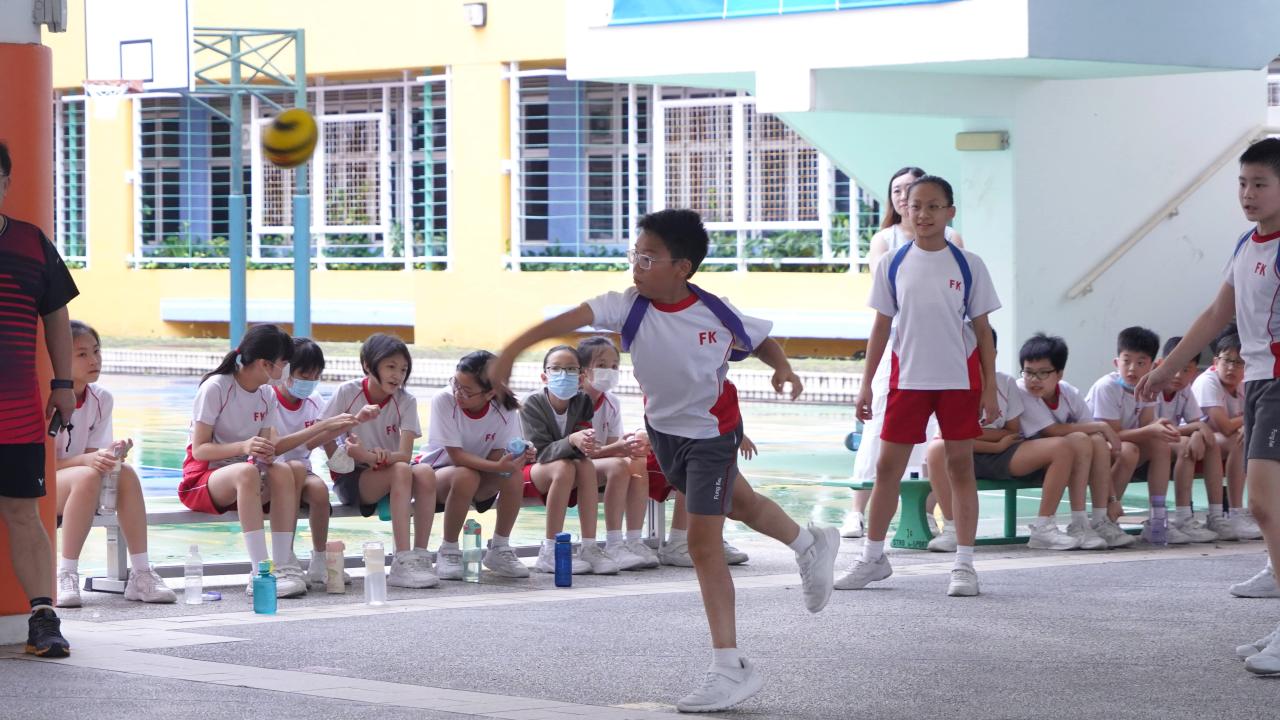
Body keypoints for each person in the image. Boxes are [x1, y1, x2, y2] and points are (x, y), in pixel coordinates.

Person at [490, 208, 838, 713]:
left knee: (702, 544)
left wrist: (782, 368)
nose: (637, 265)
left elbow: (760, 339)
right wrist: (510, 351)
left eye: (649, 258)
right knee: (742, 504)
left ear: (682, 267)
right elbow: (563, 321)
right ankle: (811, 544)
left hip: (712, 435)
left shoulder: (714, 312)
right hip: (666, 436)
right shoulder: (627, 307)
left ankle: (730, 667)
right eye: (635, 254)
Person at [1137, 137, 1280, 675]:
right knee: (1268, 507)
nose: (1248, 193)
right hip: (1260, 384)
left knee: (1263, 504)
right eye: (1242, 183)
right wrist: (1167, 368)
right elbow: (1215, 314)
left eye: (1260, 184)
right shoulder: (1247, 244)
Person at [838, 175, 999, 597]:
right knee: (886, 469)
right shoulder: (892, 263)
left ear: (950, 212)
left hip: (958, 381)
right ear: (904, 210)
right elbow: (880, 328)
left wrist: (989, 389)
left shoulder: (969, 264)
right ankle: (873, 557)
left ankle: (964, 564)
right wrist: (865, 385)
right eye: (915, 206)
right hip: (906, 380)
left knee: (960, 467)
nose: (923, 214)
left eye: (933, 206)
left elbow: (983, 331)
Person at [844, 166, 964, 539]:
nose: (904, 198)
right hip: (899, 349)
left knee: (934, 435)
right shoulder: (886, 242)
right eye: (898, 191)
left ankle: (925, 513)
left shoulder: (955, 244)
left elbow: (965, 306)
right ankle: (858, 512)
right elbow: (886, 305)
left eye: (910, 190)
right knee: (880, 429)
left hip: (942, 354)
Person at [0, 140, 78, 657]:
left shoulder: (31, 243)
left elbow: (56, 316)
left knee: (24, 513)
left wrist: (64, 384)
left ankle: (43, 619)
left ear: (5, 182)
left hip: (15, 415)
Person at [180, 324, 327, 598]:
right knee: (247, 473)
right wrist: (244, 446)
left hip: (245, 477)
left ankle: (283, 565)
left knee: (284, 470)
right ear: (265, 364)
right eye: (285, 362)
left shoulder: (266, 394)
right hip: (205, 478)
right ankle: (260, 573)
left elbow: (265, 449)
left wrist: (265, 453)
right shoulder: (216, 387)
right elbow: (199, 450)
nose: (287, 369)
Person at [924, 329, 1102, 551]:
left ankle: (1044, 528)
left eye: (979, 352)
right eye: (963, 351)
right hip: (965, 452)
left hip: (1004, 453)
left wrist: (983, 438)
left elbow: (1012, 431)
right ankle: (953, 530)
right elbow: (949, 437)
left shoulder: (1006, 383)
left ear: (993, 354)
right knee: (936, 449)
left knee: (1062, 447)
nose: (971, 358)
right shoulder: (948, 386)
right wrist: (994, 443)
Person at [53, 321, 175, 607]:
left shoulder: (101, 398)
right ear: (59, 357)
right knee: (86, 476)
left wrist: (111, 455)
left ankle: (141, 574)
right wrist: (87, 460)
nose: (94, 360)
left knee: (125, 472)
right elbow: (39, 464)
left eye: (96, 351)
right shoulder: (48, 399)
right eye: (82, 354)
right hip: (42, 484)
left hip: (78, 484)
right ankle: (66, 575)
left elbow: (93, 458)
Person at [320, 333, 438, 588]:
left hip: (390, 470)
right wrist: (345, 457)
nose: (398, 375)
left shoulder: (406, 400)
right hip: (353, 477)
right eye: (391, 367)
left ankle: (420, 556)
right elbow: (322, 433)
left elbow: (404, 455)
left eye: (403, 369)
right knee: (401, 471)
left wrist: (370, 456)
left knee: (426, 472)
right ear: (368, 365)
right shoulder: (348, 392)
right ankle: (401, 562)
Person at [414, 350, 534, 580]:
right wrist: (498, 467)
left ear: (490, 393)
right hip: (438, 475)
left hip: (481, 474)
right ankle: (449, 549)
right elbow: (457, 456)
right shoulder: (444, 400)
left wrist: (518, 456)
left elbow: (498, 454)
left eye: (467, 391)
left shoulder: (505, 407)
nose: (458, 393)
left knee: (514, 475)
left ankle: (500, 547)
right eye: (456, 384)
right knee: (466, 475)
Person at [1015, 333, 1134, 549]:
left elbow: (1095, 436)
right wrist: (1102, 425)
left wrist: (1113, 499)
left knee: (1096, 441)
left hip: (1062, 459)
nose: (1034, 379)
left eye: (1043, 373)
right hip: (1029, 457)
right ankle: (1078, 523)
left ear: (1059, 373)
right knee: (1080, 438)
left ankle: (1099, 521)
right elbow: (1052, 431)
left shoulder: (1068, 392)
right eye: (1029, 372)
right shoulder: (1021, 390)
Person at [269, 337, 362, 587]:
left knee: (320, 491)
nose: (310, 381)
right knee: (295, 468)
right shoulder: (269, 399)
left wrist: (347, 442)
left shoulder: (315, 401)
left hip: (302, 472)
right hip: (272, 471)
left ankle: (320, 561)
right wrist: (322, 428)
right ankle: (285, 557)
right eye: (304, 374)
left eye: (316, 375)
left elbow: (325, 443)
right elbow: (276, 446)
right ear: (286, 370)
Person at [520, 345, 620, 575]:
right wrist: (573, 440)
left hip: (566, 465)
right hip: (532, 469)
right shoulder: (531, 403)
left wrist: (585, 444)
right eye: (556, 369)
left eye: (571, 369)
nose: (563, 374)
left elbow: (580, 447)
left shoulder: (582, 401)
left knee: (585, 465)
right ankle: (549, 551)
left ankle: (589, 546)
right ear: (544, 376)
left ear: (581, 377)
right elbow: (541, 452)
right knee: (564, 468)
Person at [1084, 327, 1184, 545]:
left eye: (1140, 363)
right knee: (1128, 451)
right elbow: (1113, 436)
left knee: (1161, 444)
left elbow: (1147, 424)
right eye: (1126, 361)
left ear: (1153, 366)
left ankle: (1157, 519)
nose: (1132, 369)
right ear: (1116, 362)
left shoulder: (1148, 387)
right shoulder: (1106, 387)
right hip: (1096, 449)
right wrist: (1151, 429)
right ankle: (1104, 519)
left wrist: (1161, 427)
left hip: (1122, 444)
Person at [577, 336, 657, 570]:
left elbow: (612, 448)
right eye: (602, 365)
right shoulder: (573, 401)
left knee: (637, 460)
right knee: (620, 464)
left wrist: (631, 445)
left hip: (600, 464)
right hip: (575, 464)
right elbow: (580, 452)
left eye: (614, 366)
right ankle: (614, 543)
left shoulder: (611, 402)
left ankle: (633, 540)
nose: (609, 371)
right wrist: (618, 448)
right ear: (583, 370)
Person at [1191, 330, 1261, 540]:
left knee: (1255, 440)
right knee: (1241, 440)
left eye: (1239, 363)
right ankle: (1235, 513)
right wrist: (1247, 421)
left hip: (1220, 440)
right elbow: (1225, 427)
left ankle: (1257, 509)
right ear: (1215, 361)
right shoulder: (1208, 381)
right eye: (1227, 361)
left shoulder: (1245, 383)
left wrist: (1248, 423)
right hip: (1195, 439)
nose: (1231, 368)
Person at [1151, 336, 1220, 543]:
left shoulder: (1185, 390)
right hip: (1148, 440)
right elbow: (1157, 428)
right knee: (1185, 446)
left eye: (1186, 370)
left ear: (1194, 372)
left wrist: (1198, 431)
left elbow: (1197, 422)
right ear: (1161, 365)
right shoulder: (1152, 387)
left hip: (1168, 439)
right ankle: (1180, 517)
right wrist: (1197, 428)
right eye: (1174, 368)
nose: (1178, 375)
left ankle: (1217, 516)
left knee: (1211, 443)